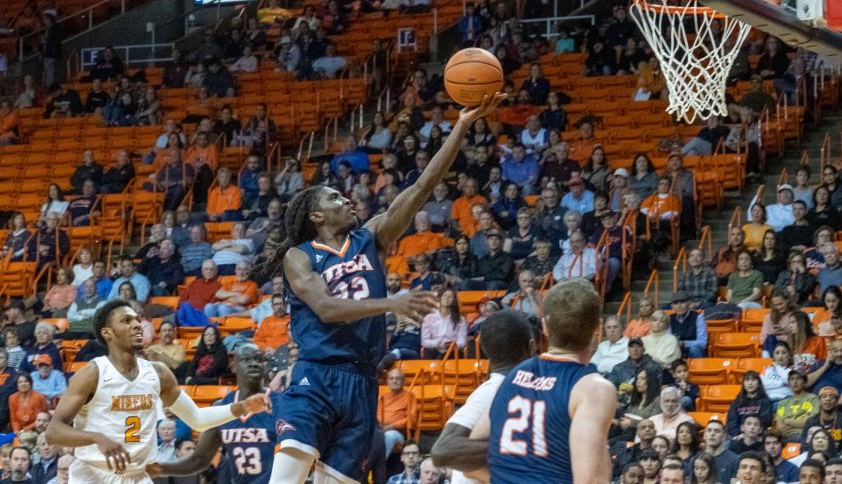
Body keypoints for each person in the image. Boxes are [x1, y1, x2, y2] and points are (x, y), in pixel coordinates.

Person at [272, 94, 502, 483]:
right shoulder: (300, 255)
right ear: (315, 215)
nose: (346, 198)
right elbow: (326, 308)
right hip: (317, 377)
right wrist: (390, 303)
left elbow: (423, 186)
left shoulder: (371, 236)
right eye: (334, 197)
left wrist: (460, 126)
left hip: (362, 383)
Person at [44, 300, 269, 483]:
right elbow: (53, 432)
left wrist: (241, 407)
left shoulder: (158, 373)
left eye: (137, 320)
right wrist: (96, 437)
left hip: (137, 476)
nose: (136, 324)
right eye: (126, 321)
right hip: (93, 475)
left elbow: (197, 420)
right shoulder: (92, 373)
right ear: (108, 333)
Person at [476, 279, 616, 483]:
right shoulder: (593, 388)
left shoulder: (514, 374)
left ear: (545, 326)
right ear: (598, 328)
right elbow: (590, 480)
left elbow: (467, 461)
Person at [431, 311, 534, 484]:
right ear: (532, 347)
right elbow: (443, 450)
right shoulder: (493, 390)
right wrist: (521, 447)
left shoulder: (510, 387)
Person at [146, 344, 274, 483]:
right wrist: (159, 469)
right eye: (246, 359)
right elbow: (199, 459)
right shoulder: (222, 408)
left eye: (258, 359)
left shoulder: (282, 404)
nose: (253, 364)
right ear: (234, 367)